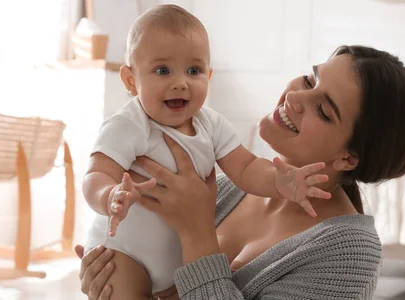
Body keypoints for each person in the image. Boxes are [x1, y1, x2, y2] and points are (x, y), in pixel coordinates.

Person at [75, 44, 405, 300]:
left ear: (349, 158)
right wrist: (114, 277)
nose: (295, 98)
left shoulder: (349, 256)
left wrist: (197, 232)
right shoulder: (231, 188)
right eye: (310, 79)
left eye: (323, 108)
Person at [82, 4, 331, 297]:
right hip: (124, 252)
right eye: (163, 70)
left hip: (175, 261)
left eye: (194, 70)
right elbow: (96, 174)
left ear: (208, 76)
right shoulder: (129, 124)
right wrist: (109, 196)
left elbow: (247, 167)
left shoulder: (211, 124)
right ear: (130, 80)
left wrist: (280, 181)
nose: (181, 83)